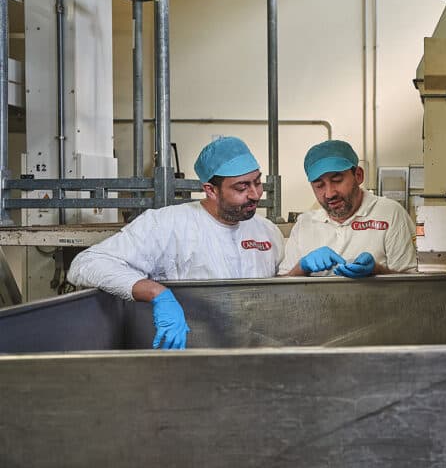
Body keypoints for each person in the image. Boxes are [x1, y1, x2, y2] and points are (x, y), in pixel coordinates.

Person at [68, 136, 284, 349]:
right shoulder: (166, 224)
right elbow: (86, 264)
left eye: (257, 182)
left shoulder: (267, 231)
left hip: (253, 357)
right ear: (211, 190)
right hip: (188, 356)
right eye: (241, 187)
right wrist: (157, 293)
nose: (255, 194)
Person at [280, 140, 416, 278]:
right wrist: (302, 268)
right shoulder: (304, 224)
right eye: (319, 185)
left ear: (358, 175)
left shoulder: (390, 213)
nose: (329, 193)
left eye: (337, 180)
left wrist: (377, 270)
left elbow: (413, 284)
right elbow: (281, 288)